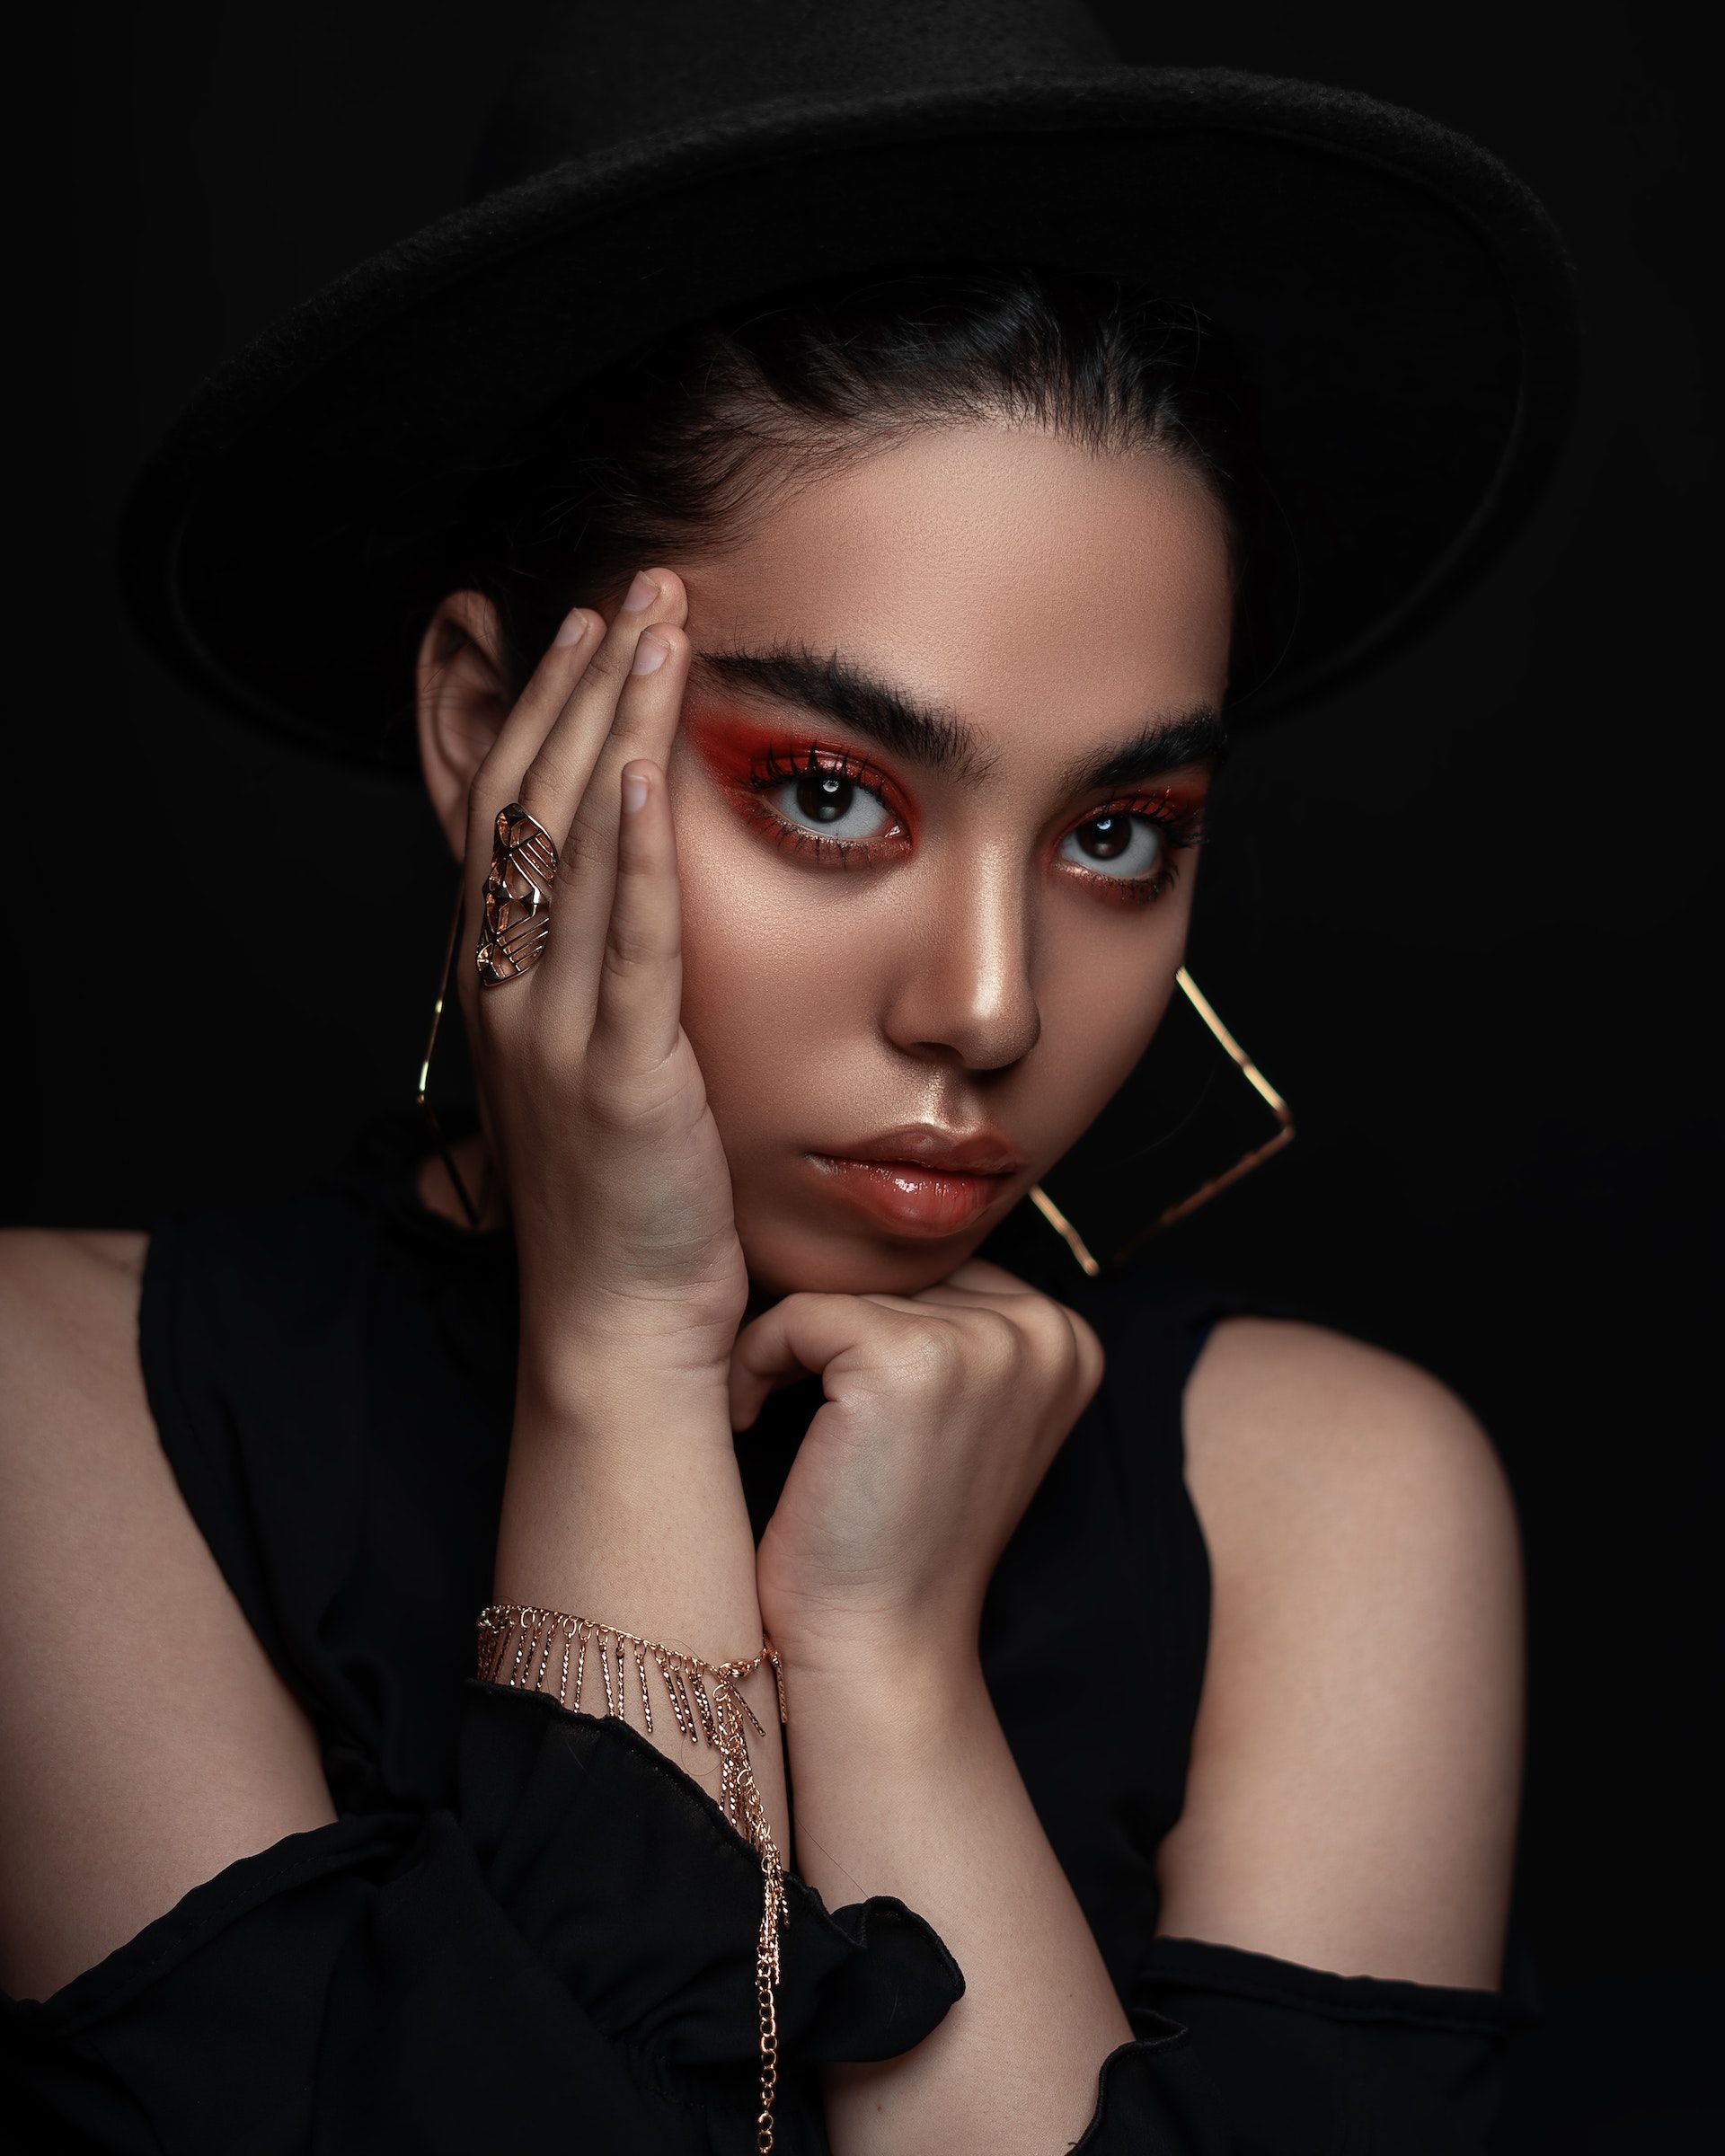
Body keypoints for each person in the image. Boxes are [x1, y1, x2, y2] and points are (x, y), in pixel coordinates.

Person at [0, 4, 1579, 2151]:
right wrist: (621, 1362)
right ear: (485, 733)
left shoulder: (1335, 1500)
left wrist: (892, 1672)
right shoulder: (53, 1414)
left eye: (1120, 832)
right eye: (832, 794)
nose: (994, 1004)